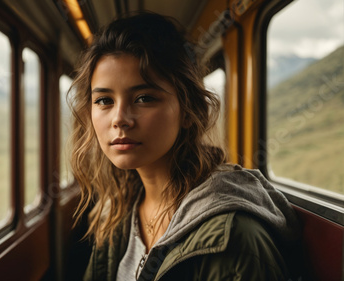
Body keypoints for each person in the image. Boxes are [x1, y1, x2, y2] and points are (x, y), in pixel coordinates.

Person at [68, 12, 302, 281]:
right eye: (104, 101)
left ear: (189, 111)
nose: (120, 118)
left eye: (144, 98)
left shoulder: (235, 239)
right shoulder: (116, 209)